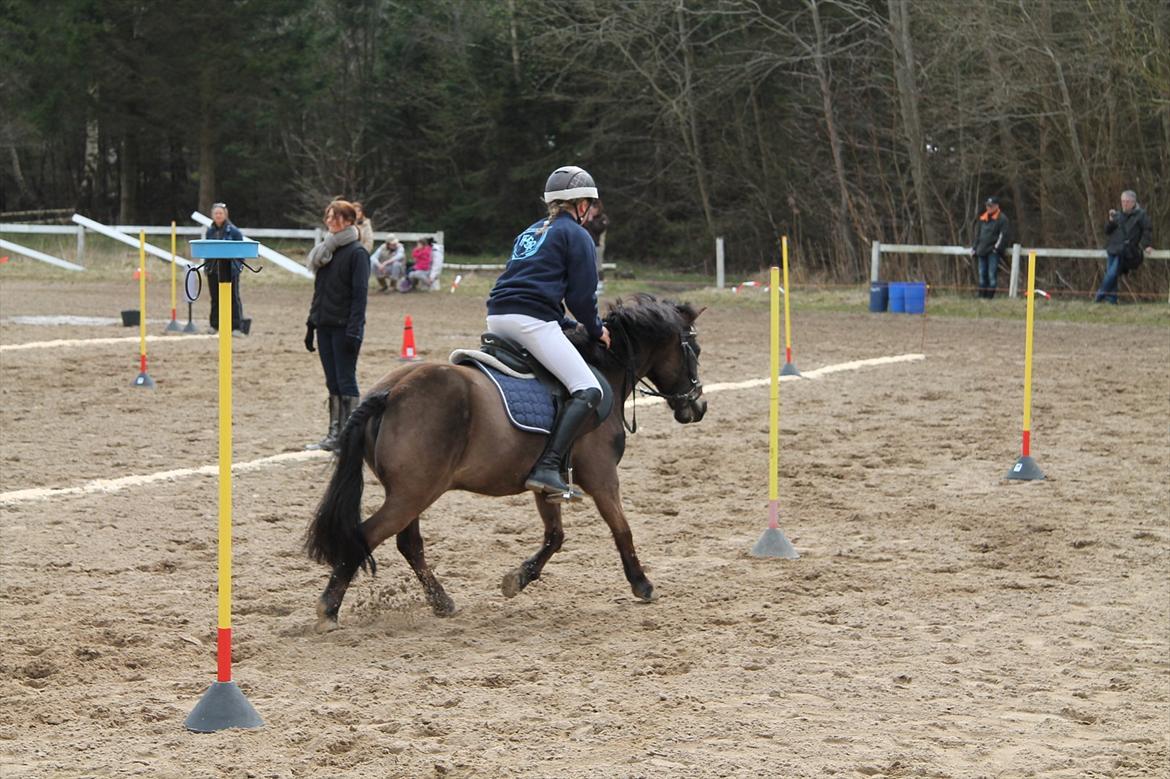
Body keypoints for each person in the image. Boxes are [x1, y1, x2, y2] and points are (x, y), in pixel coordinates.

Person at [486, 165, 611, 500]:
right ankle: (548, 466)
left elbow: (534, 285)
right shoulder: (577, 235)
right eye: (589, 204)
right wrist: (595, 329)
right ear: (580, 204)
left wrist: (566, 324)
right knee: (588, 389)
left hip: (497, 317)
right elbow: (581, 297)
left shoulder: (530, 231)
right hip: (530, 322)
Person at [304, 200, 371, 451]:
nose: (331, 221)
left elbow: (359, 295)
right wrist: (311, 324)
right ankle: (334, 433)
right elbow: (320, 292)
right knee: (332, 381)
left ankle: (349, 435)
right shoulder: (326, 253)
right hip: (325, 325)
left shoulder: (357, 253)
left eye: (336, 217)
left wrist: (354, 330)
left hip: (345, 327)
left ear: (349, 221)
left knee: (345, 380)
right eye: (329, 217)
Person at [1095, 190, 1154, 304]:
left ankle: (1099, 296)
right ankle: (1112, 300)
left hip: (1126, 251)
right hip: (1112, 248)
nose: (1124, 204)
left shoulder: (1141, 215)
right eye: (1123, 201)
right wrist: (1111, 221)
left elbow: (1147, 230)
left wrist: (1145, 245)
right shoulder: (1117, 215)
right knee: (1111, 274)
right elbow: (1107, 231)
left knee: (1112, 274)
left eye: (1127, 201)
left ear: (1133, 202)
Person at [204, 202, 245, 333]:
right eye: (216, 213)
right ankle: (215, 325)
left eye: (220, 213)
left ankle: (237, 326)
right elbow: (207, 251)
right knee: (215, 298)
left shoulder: (234, 232)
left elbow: (241, 251)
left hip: (230, 271)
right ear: (212, 215)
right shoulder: (210, 231)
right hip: (213, 270)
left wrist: (237, 267)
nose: (218, 215)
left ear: (225, 214)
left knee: (233, 297)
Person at [970, 196, 1009, 299]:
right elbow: (978, 235)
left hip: (993, 251)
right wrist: (974, 248)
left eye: (991, 206)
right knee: (982, 274)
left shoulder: (1002, 219)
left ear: (997, 206)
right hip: (981, 250)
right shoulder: (983, 218)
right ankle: (981, 296)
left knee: (992, 275)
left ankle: (989, 297)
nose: (989, 208)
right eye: (987, 205)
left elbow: (1003, 235)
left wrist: (996, 248)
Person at [583, 200, 609, 294]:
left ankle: (600, 285)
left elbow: (597, 230)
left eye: (593, 208)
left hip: (598, 245)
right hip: (587, 244)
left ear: (597, 209)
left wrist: (590, 221)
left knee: (598, 265)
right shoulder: (587, 218)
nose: (591, 210)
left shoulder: (603, 218)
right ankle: (590, 285)